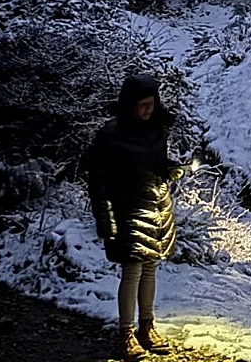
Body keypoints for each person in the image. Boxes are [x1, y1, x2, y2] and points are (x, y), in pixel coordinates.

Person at [83, 73, 185, 360]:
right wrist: (105, 218)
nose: (148, 110)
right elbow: (98, 181)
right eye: (143, 105)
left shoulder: (156, 131)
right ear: (130, 104)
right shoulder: (112, 135)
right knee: (132, 272)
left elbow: (156, 163)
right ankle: (126, 332)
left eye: (151, 103)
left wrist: (170, 169)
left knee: (150, 268)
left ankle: (147, 326)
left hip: (156, 207)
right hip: (127, 209)